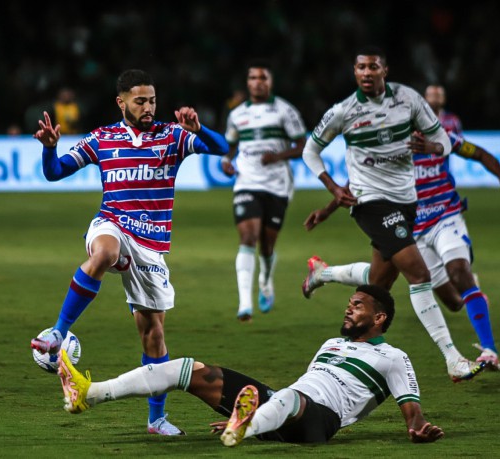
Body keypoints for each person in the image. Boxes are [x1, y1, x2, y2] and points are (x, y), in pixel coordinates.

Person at [30, 69, 228, 436]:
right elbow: (55, 172)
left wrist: (199, 129)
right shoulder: (102, 139)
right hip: (111, 224)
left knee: (153, 334)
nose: (148, 107)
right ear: (121, 102)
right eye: (140, 101)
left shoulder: (173, 136)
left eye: (152, 100)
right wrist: (49, 148)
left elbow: (222, 149)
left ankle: (156, 420)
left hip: (151, 245)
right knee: (104, 252)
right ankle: (58, 333)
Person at [303, 86, 500, 371]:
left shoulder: (441, 138)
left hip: (446, 215)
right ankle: (323, 273)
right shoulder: (390, 144)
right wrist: (327, 209)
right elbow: (360, 182)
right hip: (412, 225)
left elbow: (480, 154)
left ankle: (488, 351)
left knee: (458, 275)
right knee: (445, 299)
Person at [56, 285, 445, 446]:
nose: (349, 307)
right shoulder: (331, 344)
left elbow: (412, 415)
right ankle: (90, 393)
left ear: (379, 318)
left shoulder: (393, 357)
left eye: (358, 305)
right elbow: (302, 387)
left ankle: (244, 427)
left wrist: (419, 429)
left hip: (321, 422)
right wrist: (266, 415)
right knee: (190, 369)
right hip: (285, 407)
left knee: (290, 398)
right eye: (350, 303)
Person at [299, 46, 484, 382]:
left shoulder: (408, 100)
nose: (366, 73)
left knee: (377, 283)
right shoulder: (343, 111)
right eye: (360, 68)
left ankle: (322, 276)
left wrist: (432, 147)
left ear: (385, 70)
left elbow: (440, 137)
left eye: (373, 67)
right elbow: (310, 150)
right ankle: (453, 359)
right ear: (354, 72)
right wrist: (331, 188)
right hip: (370, 202)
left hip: (405, 202)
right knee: (418, 272)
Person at [221, 60, 307, 321]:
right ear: (248, 83)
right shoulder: (237, 115)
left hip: (277, 185)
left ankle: (266, 279)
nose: (257, 82)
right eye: (253, 78)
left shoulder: (284, 111)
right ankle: (244, 303)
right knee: (248, 237)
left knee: (266, 245)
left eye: (262, 78)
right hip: (247, 181)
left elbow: (303, 145)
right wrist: (227, 161)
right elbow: (232, 145)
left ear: (270, 82)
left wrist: (279, 155)